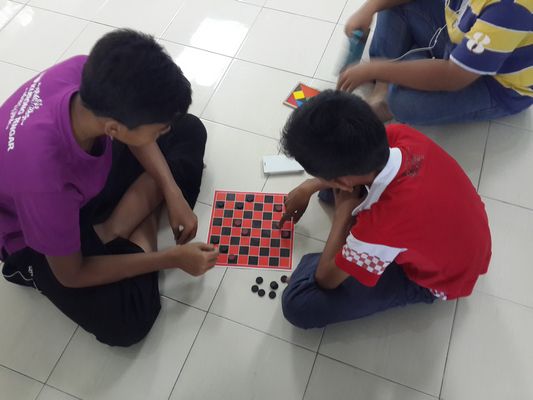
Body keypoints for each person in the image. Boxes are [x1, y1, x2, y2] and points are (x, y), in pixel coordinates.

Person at [0, 29, 219, 346]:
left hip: (76, 187)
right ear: (114, 129)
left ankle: (112, 229)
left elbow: (144, 134)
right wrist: (172, 258)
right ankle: (120, 228)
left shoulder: (85, 71)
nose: (163, 132)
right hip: (32, 234)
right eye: (158, 130)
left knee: (188, 129)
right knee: (130, 320)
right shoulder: (44, 180)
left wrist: (171, 193)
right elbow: (72, 275)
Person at [279, 90, 491, 329]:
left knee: (298, 303)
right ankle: (351, 239)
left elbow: (326, 279)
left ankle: (352, 249)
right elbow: (350, 176)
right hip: (463, 234)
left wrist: (343, 214)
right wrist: (309, 186)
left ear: (343, 180)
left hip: (442, 279)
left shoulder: (382, 225)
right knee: (330, 193)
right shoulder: (400, 134)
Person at [338, 0, 532, 124]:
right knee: (390, 5)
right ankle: (386, 84)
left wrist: (378, 69)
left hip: (497, 84)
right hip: (461, 29)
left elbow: (453, 76)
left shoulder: (510, 11)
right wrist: (369, 8)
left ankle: (398, 73)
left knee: (403, 103)